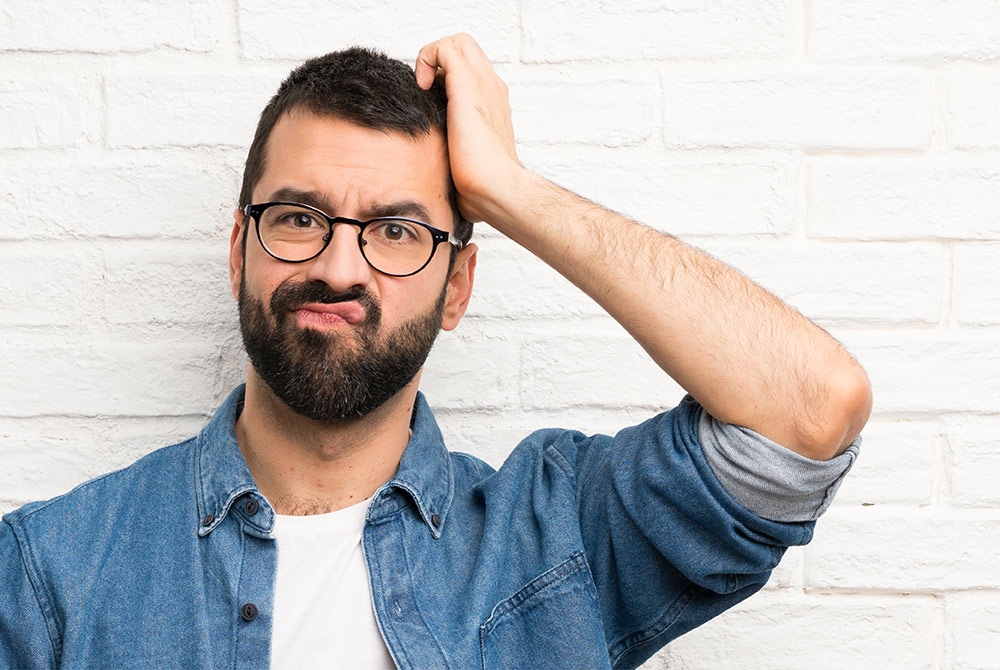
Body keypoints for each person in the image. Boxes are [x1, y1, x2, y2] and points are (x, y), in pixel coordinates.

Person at [0, 34, 871, 669]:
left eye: (397, 230)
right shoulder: (52, 574)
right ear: (240, 250)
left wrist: (508, 188)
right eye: (299, 218)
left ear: (458, 286)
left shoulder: (554, 544)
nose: (340, 268)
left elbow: (811, 408)